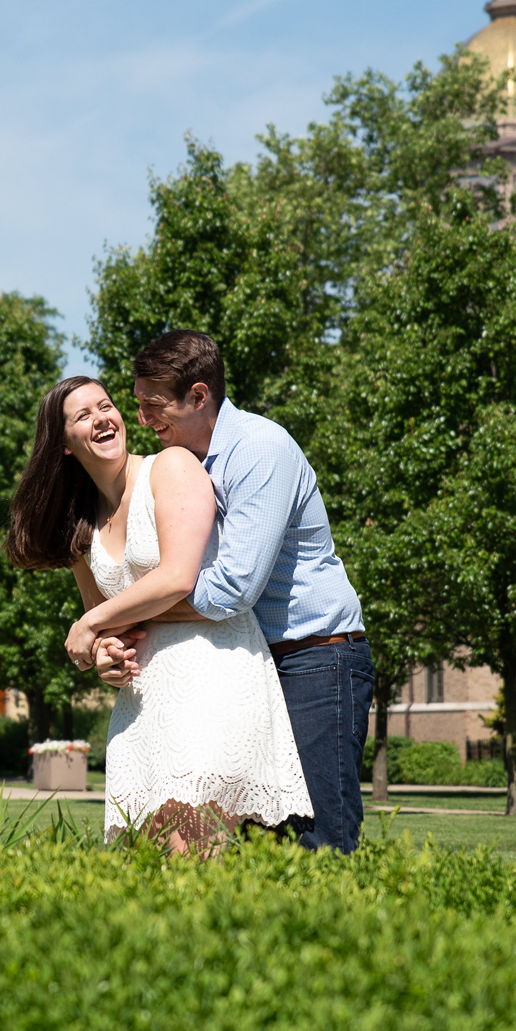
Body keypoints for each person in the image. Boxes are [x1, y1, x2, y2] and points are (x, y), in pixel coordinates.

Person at [5, 374, 313, 852]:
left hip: (212, 673)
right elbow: (105, 626)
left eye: (105, 406)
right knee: (152, 861)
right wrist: (105, 657)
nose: (102, 419)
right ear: (64, 444)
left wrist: (92, 626)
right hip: (144, 704)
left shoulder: (169, 468)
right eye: (82, 416)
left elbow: (177, 578)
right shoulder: (80, 526)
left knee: (190, 851)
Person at [93, 331, 372, 852]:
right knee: (253, 848)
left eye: (155, 406)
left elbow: (230, 591)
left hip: (312, 661)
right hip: (248, 667)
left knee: (316, 843)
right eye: (139, 404)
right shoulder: (184, 466)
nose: (145, 420)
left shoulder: (258, 449)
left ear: (199, 396)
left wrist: (116, 615)